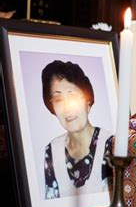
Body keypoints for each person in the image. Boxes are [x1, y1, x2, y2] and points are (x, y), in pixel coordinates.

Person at [42, 60, 113, 199]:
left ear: (88, 101)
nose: (67, 107)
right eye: (58, 100)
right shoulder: (51, 150)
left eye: (73, 96)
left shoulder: (110, 144)